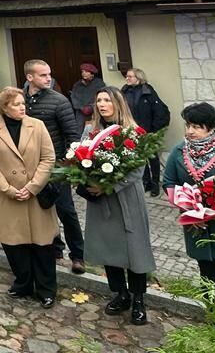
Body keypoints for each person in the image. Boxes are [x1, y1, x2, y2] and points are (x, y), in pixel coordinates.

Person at [76, 86, 156, 325]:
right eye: (99, 100)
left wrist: (108, 186)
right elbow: (81, 158)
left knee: (135, 250)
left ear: (117, 103)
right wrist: (86, 179)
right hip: (102, 202)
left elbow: (136, 171)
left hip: (126, 199)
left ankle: (139, 299)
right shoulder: (92, 131)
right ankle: (120, 294)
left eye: (106, 100)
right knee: (109, 248)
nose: (102, 104)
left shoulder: (134, 133)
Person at [0, 87, 59, 308]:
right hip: (9, 196)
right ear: (4, 107)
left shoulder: (37, 126)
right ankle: (23, 282)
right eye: (16, 104)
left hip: (36, 194)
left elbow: (48, 158)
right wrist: (7, 189)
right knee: (15, 243)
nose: (22, 107)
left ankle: (46, 289)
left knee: (42, 244)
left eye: (23, 103)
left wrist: (33, 186)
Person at [23, 58, 86, 275]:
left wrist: (67, 164)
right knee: (42, 210)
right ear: (30, 77)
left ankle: (78, 255)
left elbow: (72, 135)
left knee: (66, 210)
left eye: (49, 74)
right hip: (30, 165)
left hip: (57, 166)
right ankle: (54, 247)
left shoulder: (59, 101)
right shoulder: (20, 100)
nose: (49, 78)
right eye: (43, 75)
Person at [163, 102, 215, 283]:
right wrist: (189, 210)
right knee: (208, 276)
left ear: (211, 127)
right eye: (188, 125)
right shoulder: (179, 151)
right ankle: (213, 311)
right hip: (196, 227)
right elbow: (169, 182)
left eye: (196, 127)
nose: (190, 131)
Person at [122, 68, 170, 195]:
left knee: (152, 158)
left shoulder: (148, 91)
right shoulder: (124, 91)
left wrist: (154, 129)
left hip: (148, 130)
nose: (127, 78)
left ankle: (155, 184)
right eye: (126, 76)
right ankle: (146, 181)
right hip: (132, 131)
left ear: (138, 78)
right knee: (139, 157)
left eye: (130, 76)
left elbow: (159, 111)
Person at [69, 63, 105, 129]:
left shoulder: (99, 84)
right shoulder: (77, 85)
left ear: (92, 73)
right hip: (80, 113)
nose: (84, 73)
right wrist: (81, 108)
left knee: (95, 130)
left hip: (95, 112)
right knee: (79, 131)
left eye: (86, 71)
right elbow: (73, 98)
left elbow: (101, 97)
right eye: (82, 71)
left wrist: (91, 107)